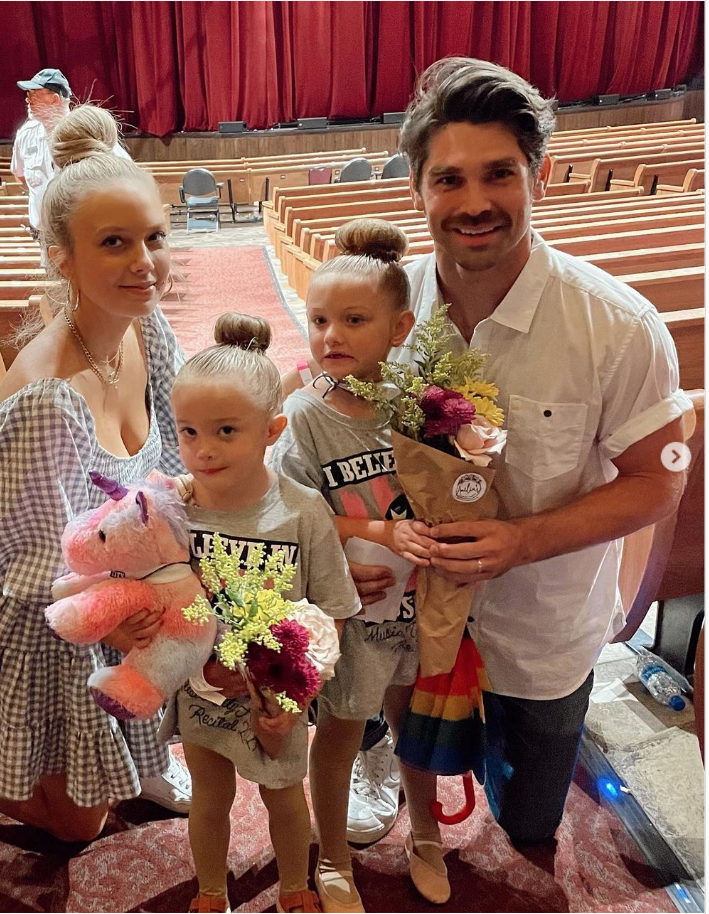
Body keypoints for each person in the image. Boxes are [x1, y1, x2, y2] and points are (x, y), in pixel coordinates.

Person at [288, 57, 692, 848]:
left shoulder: (618, 326)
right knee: (389, 717)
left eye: (498, 174)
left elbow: (658, 482)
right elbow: (322, 416)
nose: (473, 203)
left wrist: (524, 540)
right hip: (398, 623)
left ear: (538, 176)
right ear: (416, 189)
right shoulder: (379, 310)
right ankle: (385, 751)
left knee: (526, 823)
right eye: (448, 179)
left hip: (537, 635)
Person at [0, 104, 194, 843]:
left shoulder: (145, 325)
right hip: (49, 612)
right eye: (114, 242)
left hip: (127, 581)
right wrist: (123, 611)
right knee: (78, 828)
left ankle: (140, 750)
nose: (143, 261)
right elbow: (35, 564)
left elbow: (177, 460)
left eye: (153, 237)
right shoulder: (46, 398)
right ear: (61, 257)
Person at [271, 220, 452, 909]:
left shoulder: (420, 406)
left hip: (420, 603)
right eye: (319, 320)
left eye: (353, 320)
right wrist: (373, 532)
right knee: (342, 731)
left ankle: (426, 833)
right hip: (355, 611)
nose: (331, 336)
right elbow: (291, 519)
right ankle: (334, 858)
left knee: (416, 724)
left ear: (400, 327)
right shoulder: (305, 417)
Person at [160, 312, 361, 914]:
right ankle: (211, 888)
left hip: (279, 694)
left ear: (272, 430)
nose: (203, 449)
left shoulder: (300, 510)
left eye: (226, 431)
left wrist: (297, 697)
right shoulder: (174, 509)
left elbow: (333, 611)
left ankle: (294, 883)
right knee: (209, 796)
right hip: (202, 688)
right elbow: (149, 589)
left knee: (283, 795)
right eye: (189, 431)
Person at [11, 68, 131, 240]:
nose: (28, 100)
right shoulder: (26, 135)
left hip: (86, 234)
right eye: (28, 95)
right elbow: (20, 174)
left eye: (34, 94)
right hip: (45, 235)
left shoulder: (87, 130)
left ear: (55, 99)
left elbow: (126, 175)